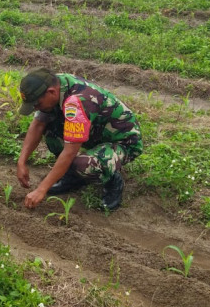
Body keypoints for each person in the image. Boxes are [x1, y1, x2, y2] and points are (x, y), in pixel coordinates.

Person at [15, 68, 143, 212]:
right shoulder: (54, 84)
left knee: (83, 165)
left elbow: (70, 152)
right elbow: (38, 124)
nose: (36, 108)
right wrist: (21, 161)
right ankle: (74, 177)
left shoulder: (76, 102)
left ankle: (112, 180)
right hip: (96, 132)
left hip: (123, 141)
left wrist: (41, 190)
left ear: (51, 92)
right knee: (51, 133)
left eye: (37, 104)